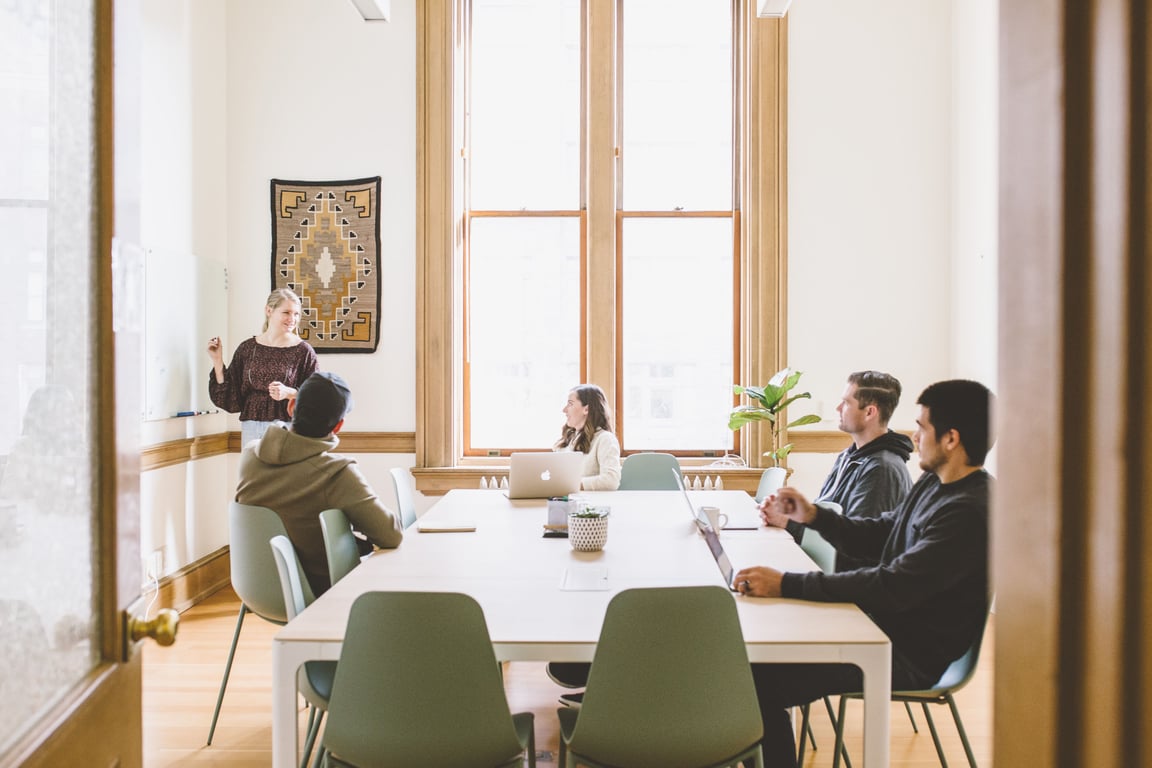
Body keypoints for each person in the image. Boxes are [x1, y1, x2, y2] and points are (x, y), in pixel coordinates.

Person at [734, 379, 994, 767]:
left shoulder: (968, 510)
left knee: (757, 682)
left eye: (922, 427)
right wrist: (813, 515)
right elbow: (879, 533)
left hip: (905, 651)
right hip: (879, 626)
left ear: (951, 439)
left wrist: (785, 583)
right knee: (755, 667)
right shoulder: (935, 484)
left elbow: (892, 586)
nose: (913, 436)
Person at [234, 371, 403, 597]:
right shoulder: (337, 473)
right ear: (338, 426)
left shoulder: (250, 455)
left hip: (254, 590)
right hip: (319, 594)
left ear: (291, 406)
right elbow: (390, 535)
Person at [780, 370, 913, 569]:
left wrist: (788, 525)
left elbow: (856, 550)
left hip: (850, 588)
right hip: (826, 571)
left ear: (869, 412)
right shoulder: (848, 456)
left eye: (846, 403)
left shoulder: (882, 470)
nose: (838, 408)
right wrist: (788, 518)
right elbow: (826, 515)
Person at [208, 288, 318, 446]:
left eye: (296, 314)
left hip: (288, 427)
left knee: (285, 472)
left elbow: (315, 396)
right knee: (252, 471)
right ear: (269, 310)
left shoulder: (303, 351)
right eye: (286, 312)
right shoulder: (247, 348)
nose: (292, 319)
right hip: (251, 427)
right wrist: (217, 360)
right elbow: (231, 398)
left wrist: (289, 393)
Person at [554, 383, 621, 491]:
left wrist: (572, 485)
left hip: (590, 504)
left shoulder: (605, 439)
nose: (564, 410)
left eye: (570, 404)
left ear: (586, 409)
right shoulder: (568, 441)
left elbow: (611, 480)